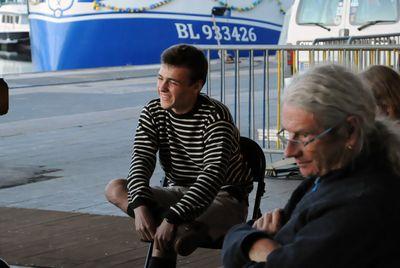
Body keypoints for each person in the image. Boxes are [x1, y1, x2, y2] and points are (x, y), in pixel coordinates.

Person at [222, 64, 400, 268]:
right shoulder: (332, 173)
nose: (289, 151)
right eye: (288, 134)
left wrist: (250, 242)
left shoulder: (359, 204)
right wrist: (254, 242)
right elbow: (236, 238)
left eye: (304, 136)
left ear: (350, 130)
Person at [105, 44, 251, 268]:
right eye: (160, 78)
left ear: (196, 86)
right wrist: (140, 205)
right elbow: (141, 160)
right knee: (115, 188)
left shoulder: (215, 117)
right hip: (177, 190)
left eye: (172, 82)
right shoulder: (153, 112)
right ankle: (187, 229)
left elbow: (212, 176)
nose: (162, 87)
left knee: (169, 234)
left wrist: (172, 218)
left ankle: (182, 228)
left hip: (224, 197)